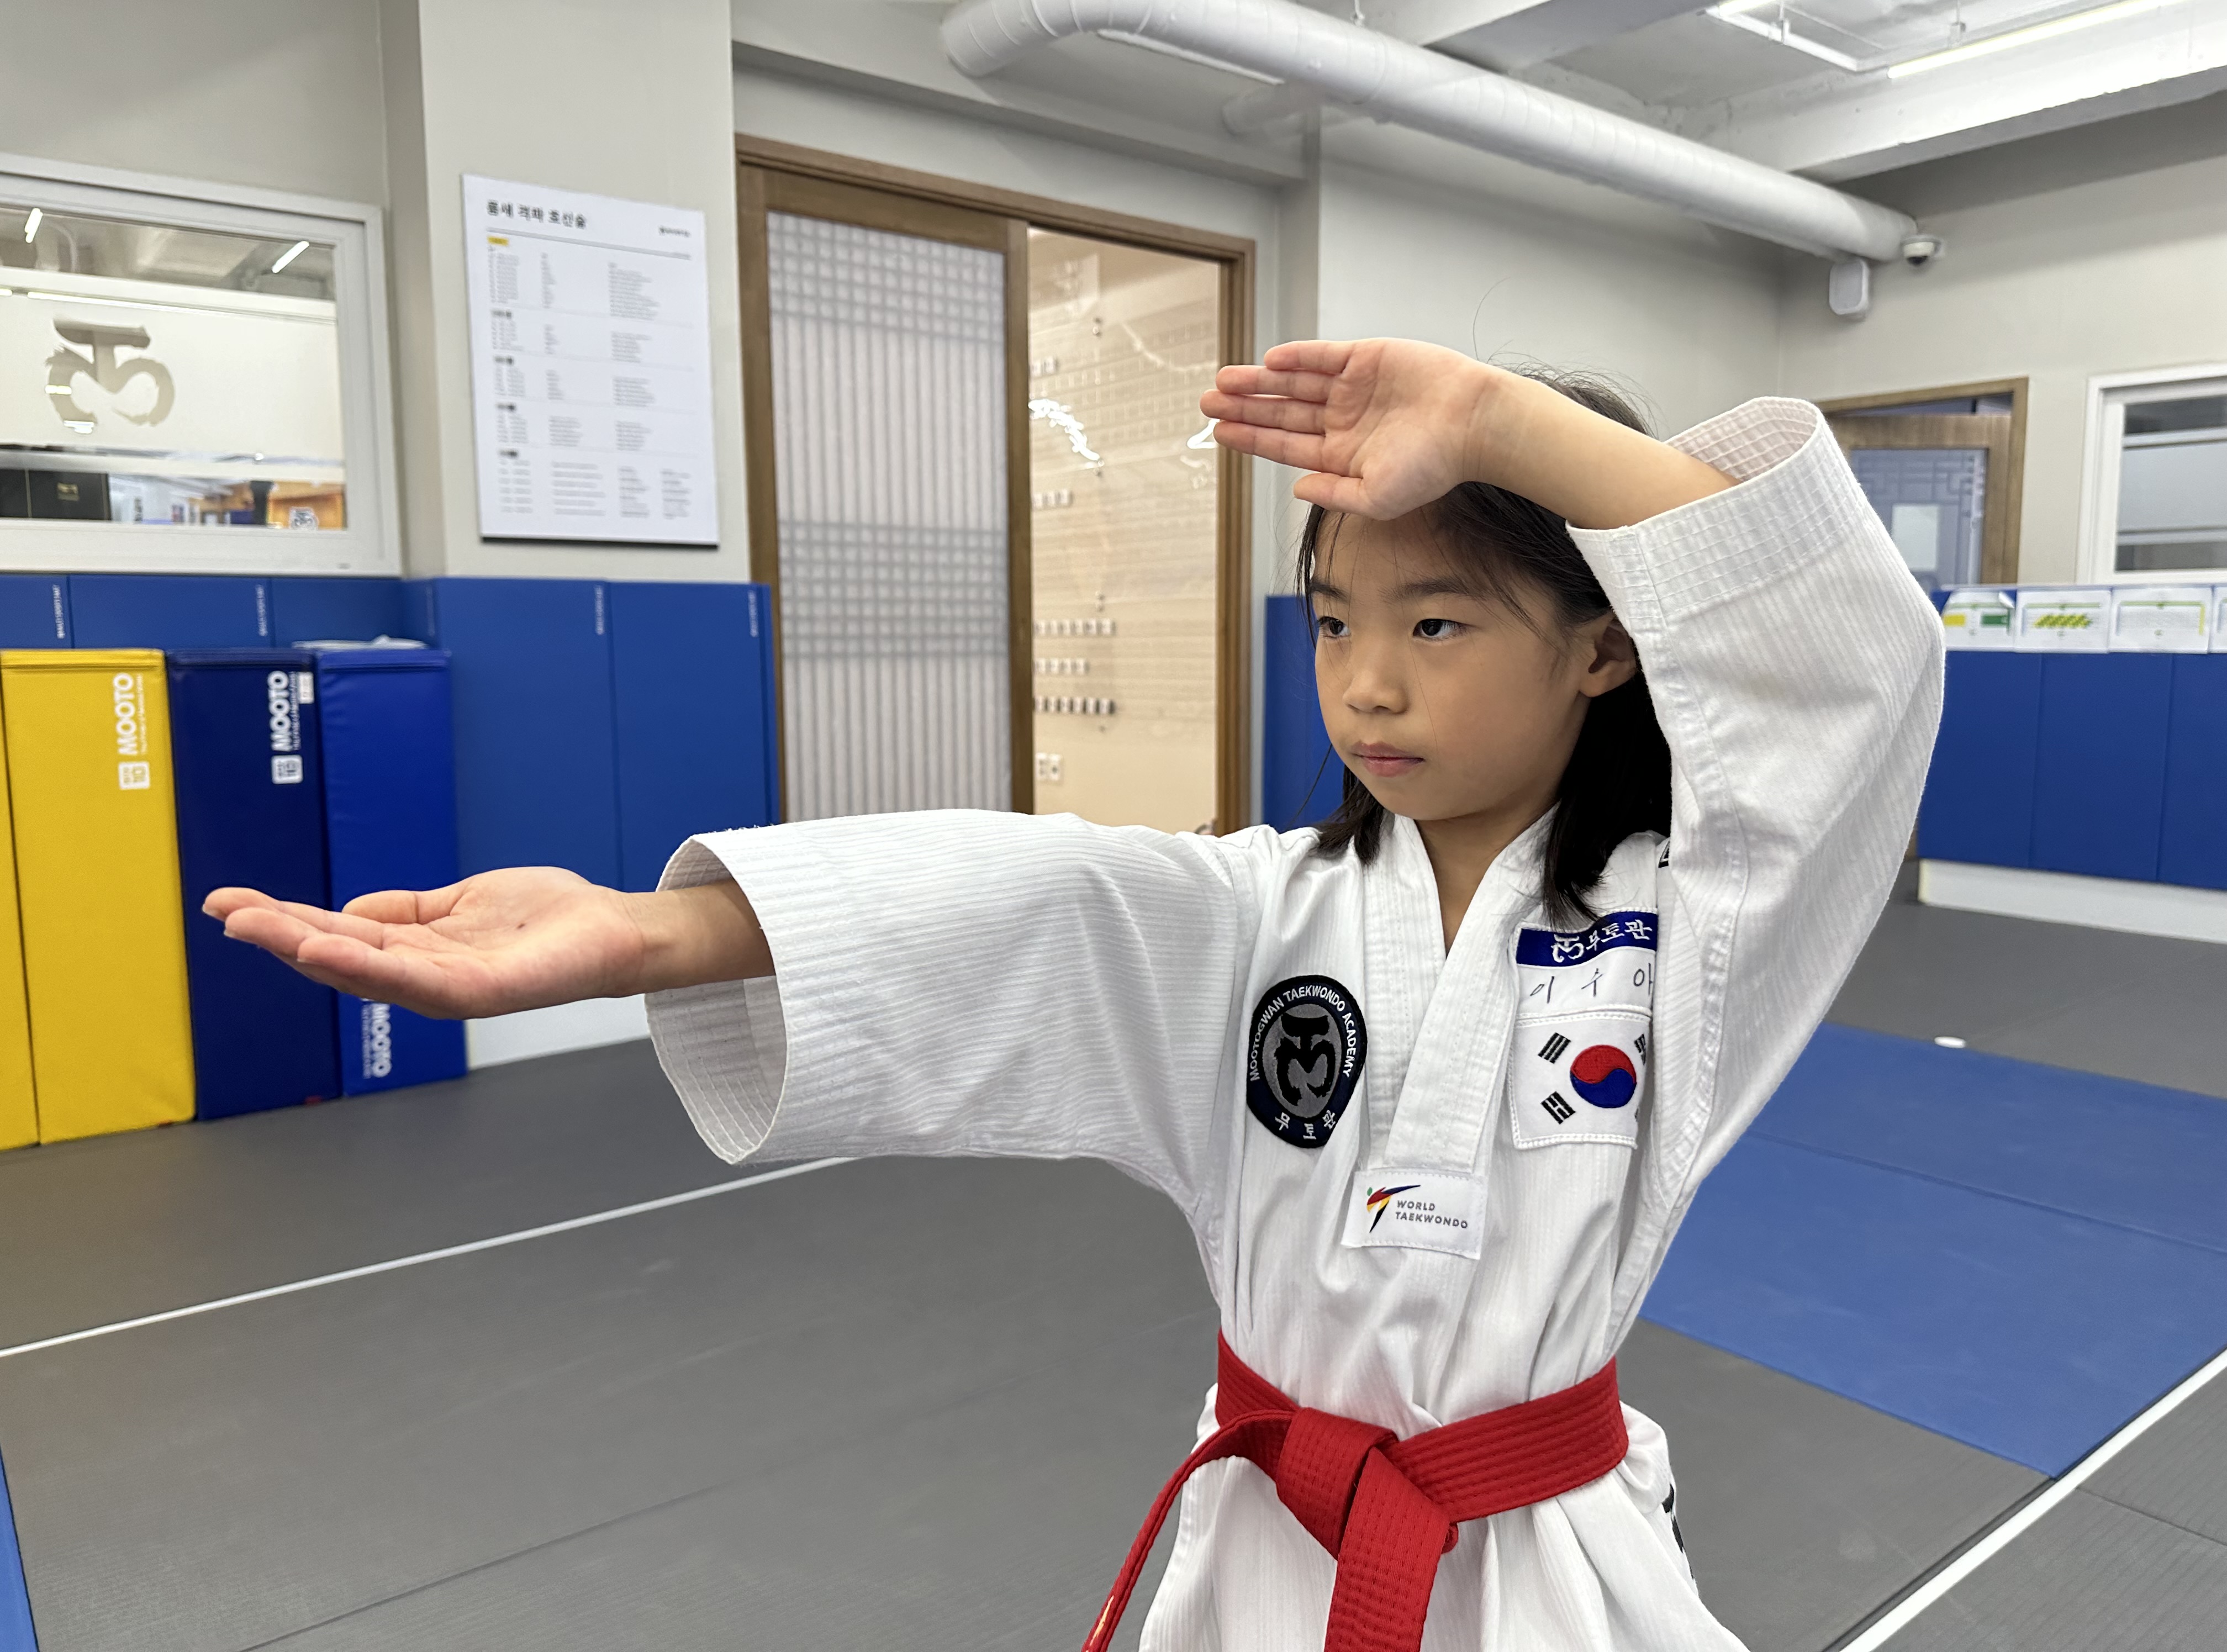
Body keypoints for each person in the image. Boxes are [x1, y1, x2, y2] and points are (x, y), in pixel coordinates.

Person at [212, 338, 1944, 1652]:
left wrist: (1501, 425)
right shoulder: (1267, 912)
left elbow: (1846, 668)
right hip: (1271, 1545)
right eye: (1333, 623)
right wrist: (652, 936)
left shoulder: (1686, 924)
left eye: (1437, 628)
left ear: (1604, 646)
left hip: (1541, 1568)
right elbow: (1028, 900)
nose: (1365, 686)